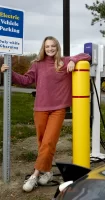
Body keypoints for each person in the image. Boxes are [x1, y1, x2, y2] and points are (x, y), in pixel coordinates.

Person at [1, 36, 91, 192]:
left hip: (58, 109)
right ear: (43, 48)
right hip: (40, 109)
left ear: (57, 47)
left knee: (48, 142)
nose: (50, 48)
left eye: (53, 46)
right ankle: (48, 172)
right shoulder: (36, 64)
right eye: (47, 46)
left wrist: (73, 61)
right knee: (42, 143)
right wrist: (9, 73)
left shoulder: (64, 61)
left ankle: (35, 175)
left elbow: (87, 56)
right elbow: (25, 80)